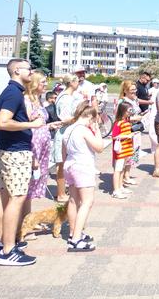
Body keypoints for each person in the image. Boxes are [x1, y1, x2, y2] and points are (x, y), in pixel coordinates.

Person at [0, 59, 46, 266]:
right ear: (16, 71)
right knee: (17, 198)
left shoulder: (12, 92)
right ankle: (8, 251)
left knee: (4, 195)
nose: (31, 72)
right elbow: (3, 122)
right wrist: (31, 124)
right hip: (15, 153)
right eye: (28, 69)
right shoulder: (14, 93)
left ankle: (2, 242)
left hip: (9, 150)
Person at [63, 102, 105, 252]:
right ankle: (76, 240)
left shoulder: (68, 129)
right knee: (87, 202)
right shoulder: (83, 130)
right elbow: (99, 148)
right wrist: (97, 131)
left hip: (70, 165)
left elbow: (64, 152)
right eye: (93, 120)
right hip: (83, 166)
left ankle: (73, 232)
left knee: (74, 200)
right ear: (89, 117)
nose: (93, 123)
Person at [24, 72, 60, 220]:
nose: (46, 85)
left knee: (32, 186)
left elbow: (39, 123)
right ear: (34, 83)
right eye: (43, 82)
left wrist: (50, 125)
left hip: (42, 145)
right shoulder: (26, 101)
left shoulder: (38, 100)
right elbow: (27, 127)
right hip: (34, 147)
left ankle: (28, 218)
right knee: (27, 185)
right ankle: (24, 222)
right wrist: (33, 157)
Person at [53, 73, 82, 202]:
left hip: (68, 132)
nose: (78, 83)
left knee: (66, 163)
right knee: (62, 164)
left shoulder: (69, 96)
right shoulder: (65, 98)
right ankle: (60, 193)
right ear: (71, 83)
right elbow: (65, 118)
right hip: (63, 133)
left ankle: (64, 190)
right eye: (76, 81)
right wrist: (79, 116)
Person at [118, 80, 144, 186]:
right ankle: (122, 176)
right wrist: (134, 118)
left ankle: (127, 175)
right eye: (132, 89)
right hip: (127, 130)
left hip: (136, 130)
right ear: (125, 90)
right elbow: (119, 117)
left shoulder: (135, 100)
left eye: (135, 89)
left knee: (133, 153)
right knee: (126, 154)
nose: (134, 91)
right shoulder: (122, 102)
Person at [110, 102, 135, 199]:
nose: (130, 113)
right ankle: (116, 190)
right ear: (123, 111)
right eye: (129, 110)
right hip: (120, 151)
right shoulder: (118, 123)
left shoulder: (126, 122)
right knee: (118, 170)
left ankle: (120, 186)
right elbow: (114, 136)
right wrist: (126, 136)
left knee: (122, 169)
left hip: (126, 150)